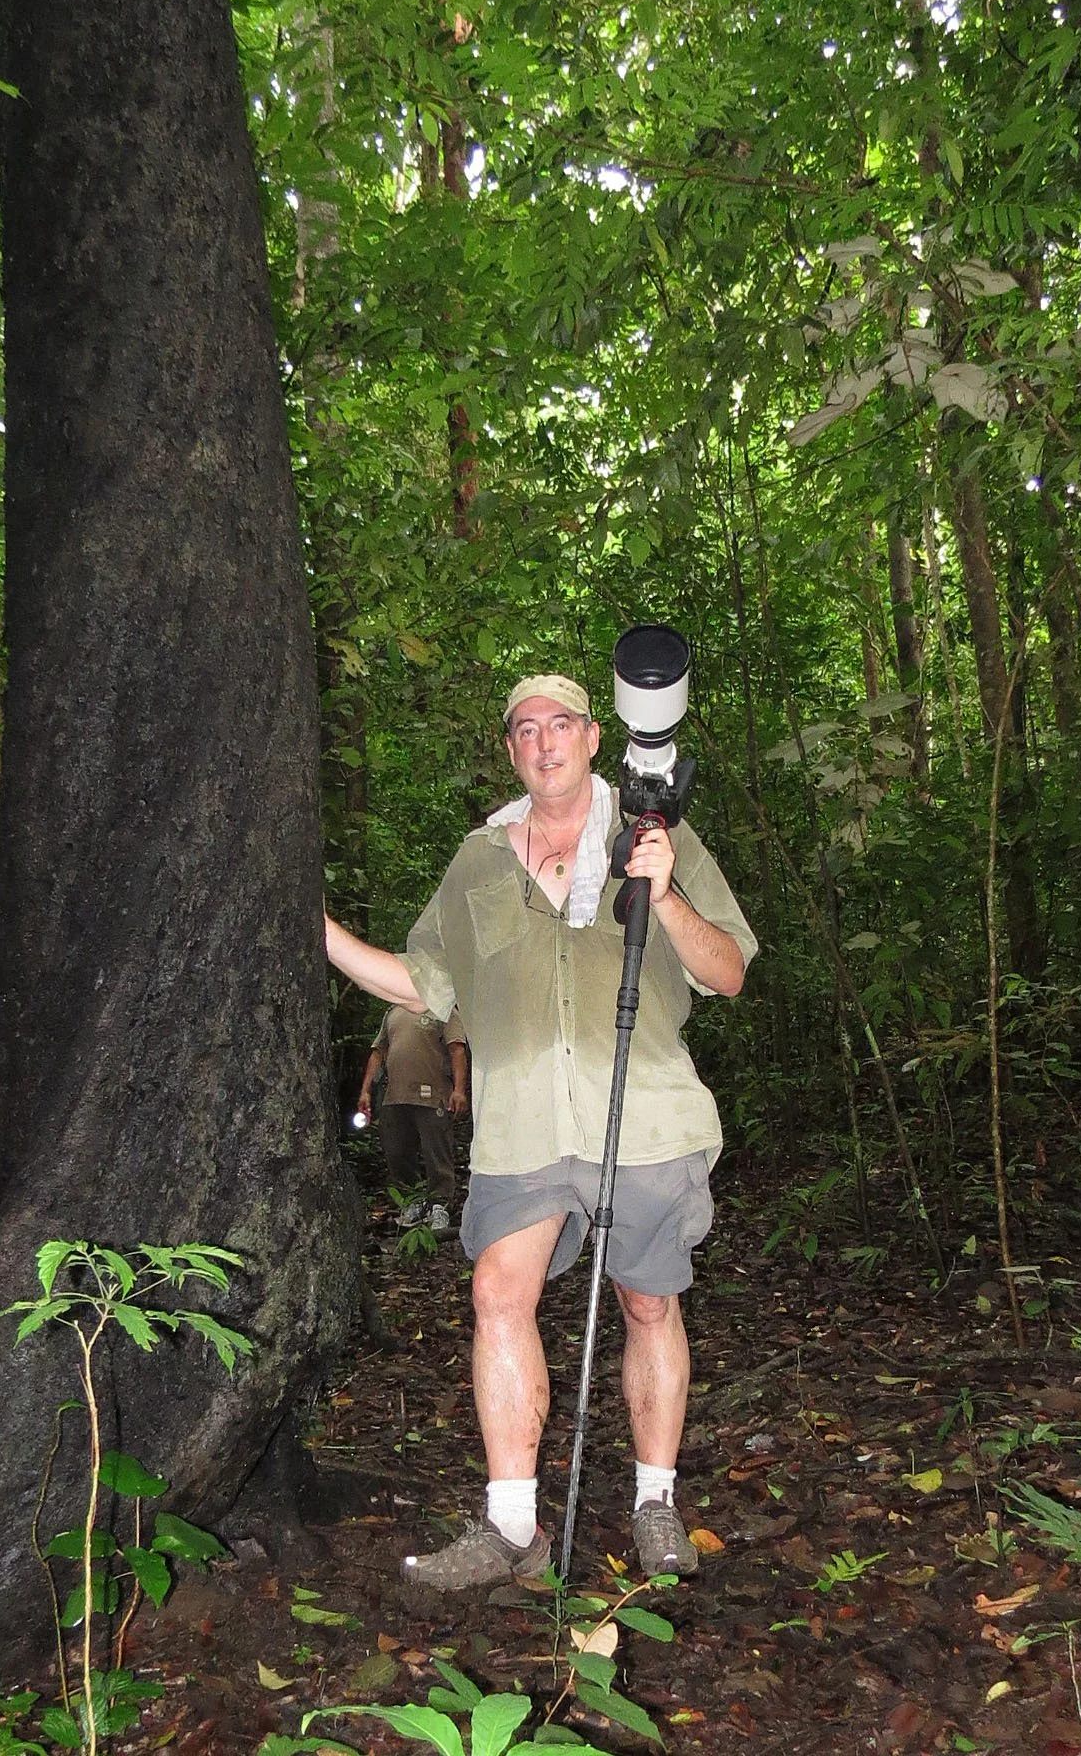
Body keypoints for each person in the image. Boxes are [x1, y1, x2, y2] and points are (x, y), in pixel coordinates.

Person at [324, 671, 757, 1590]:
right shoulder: (476, 860)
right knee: (496, 1293)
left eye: (560, 723)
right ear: (510, 750)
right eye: (524, 729)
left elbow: (727, 972)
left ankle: (655, 1504)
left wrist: (664, 893)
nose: (543, 741)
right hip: (521, 1122)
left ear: (594, 737)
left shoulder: (658, 833)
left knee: (647, 1303)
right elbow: (421, 982)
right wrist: (313, 928)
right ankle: (511, 1524)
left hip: (642, 1113)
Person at [356, 1005, 469, 1234]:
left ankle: (440, 1205)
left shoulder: (443, 1009)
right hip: (395, 1096)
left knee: (436, 1152)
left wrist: (459, 1090)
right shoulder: (393, 1012)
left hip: (433, 1095)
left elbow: (456, 1049)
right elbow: (378, 1052)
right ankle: (412, 1202)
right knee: (396, 1152)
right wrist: (366, 1090)